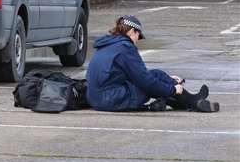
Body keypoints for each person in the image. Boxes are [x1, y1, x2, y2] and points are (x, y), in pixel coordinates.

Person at [86, 15, 219, 112]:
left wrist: (169, 81)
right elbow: (145, 81)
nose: (138, 39)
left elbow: (123, 75)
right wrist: (172, 88)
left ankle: (185, 102)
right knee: (154, 81)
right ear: (132, 31)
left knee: (156, 75)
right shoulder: (125, 48)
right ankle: (192, 101)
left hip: (97, 98)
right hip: (110, 100)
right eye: (139, 35)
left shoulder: (108, 44)